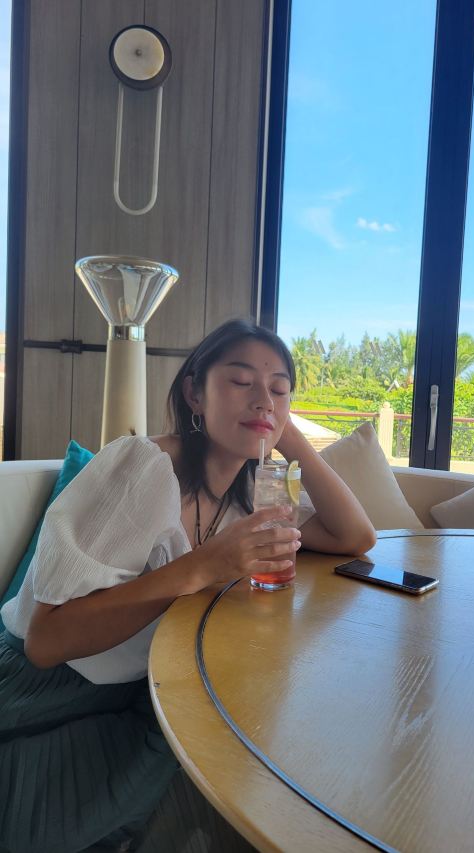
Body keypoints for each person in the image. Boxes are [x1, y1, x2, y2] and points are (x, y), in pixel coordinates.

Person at [0, 319, 376, 853]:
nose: (262, 399)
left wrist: (285, 433)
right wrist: (203, 566)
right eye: (241, 382)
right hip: (45, 697)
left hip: (142, 690)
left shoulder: (248, 493)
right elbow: (47, 641)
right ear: (195, 394)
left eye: (279, 389)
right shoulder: (142, 467)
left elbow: (355, 536)